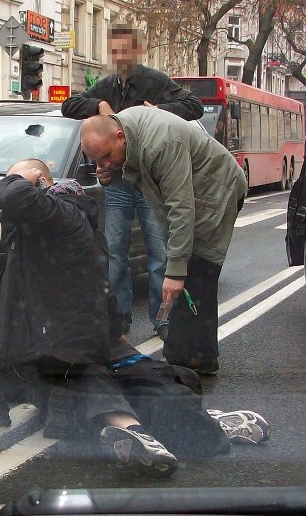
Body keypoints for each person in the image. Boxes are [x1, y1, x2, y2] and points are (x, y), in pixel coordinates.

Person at [0, 159, 180, 477]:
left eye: (19, 179)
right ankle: (129, 426)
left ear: (38, 184)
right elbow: (105, 296)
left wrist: (19, 178)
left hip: (20, 351)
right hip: (65, 353)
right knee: (81, 365)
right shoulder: (91, 234)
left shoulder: (54, 215)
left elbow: (13, 197)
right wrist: (112, 337)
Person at [61, 22, 203, 341]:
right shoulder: (107, 85)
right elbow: (68, 106)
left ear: (138, 51)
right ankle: (119, 319)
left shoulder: (154, 81)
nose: (120, 55)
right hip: (119, 184)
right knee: (115, 254)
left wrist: (161, 110)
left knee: (158, 254)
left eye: (126, 49)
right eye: (115, 50)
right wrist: (98, 106)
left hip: (151, 183)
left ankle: (162, 319)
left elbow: (193, 106)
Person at [79, 107, 248, 374]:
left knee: (196, 272)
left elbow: (182, 207)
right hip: (193, 193)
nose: (104, 165)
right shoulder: (126, 134)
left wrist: (176, 271)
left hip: (215, 190)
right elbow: (142, 173)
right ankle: (187, 355)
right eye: (96, 162)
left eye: (107, 157)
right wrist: (114, 173)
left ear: (120, 137)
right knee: (186, 277)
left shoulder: (162, 142)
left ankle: (196, 359)